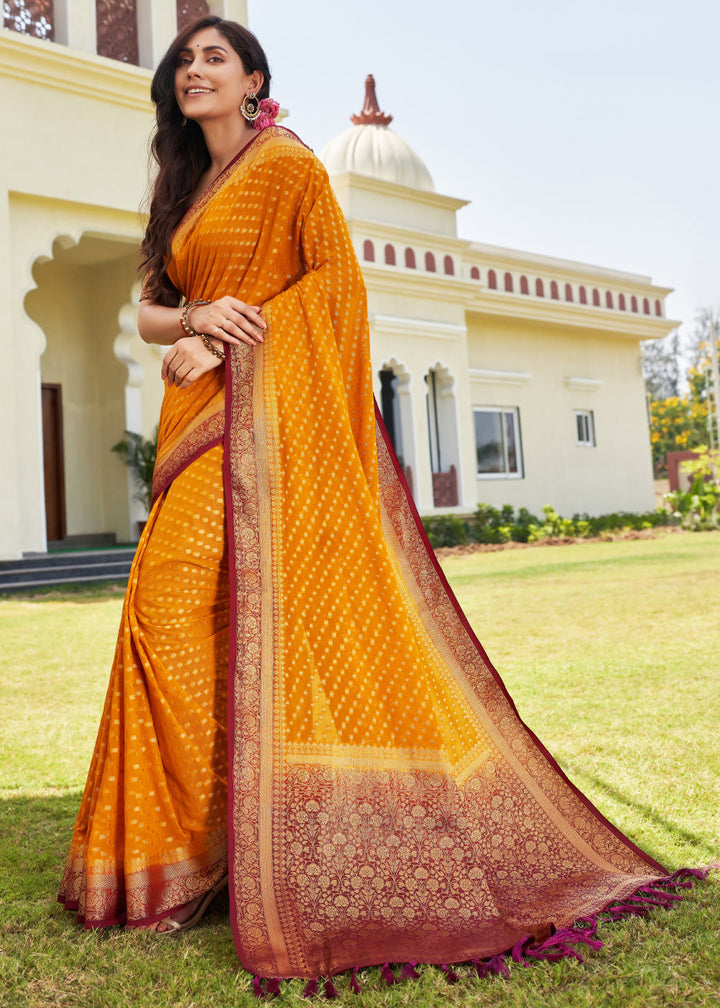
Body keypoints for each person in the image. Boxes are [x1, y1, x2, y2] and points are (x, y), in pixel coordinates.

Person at [59, 14, 706, 988]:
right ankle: (190, 853)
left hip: (269, 425)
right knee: (168, 610)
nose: (193, 70)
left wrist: (241, 332)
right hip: (197, 429)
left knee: (257, 621)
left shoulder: (290, 168)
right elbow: (150, 303)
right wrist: (195, 319)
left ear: (253, 81)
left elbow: (338, 290)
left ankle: (248, 846)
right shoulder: (180, 185)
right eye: (183, 60)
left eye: (214, 58)